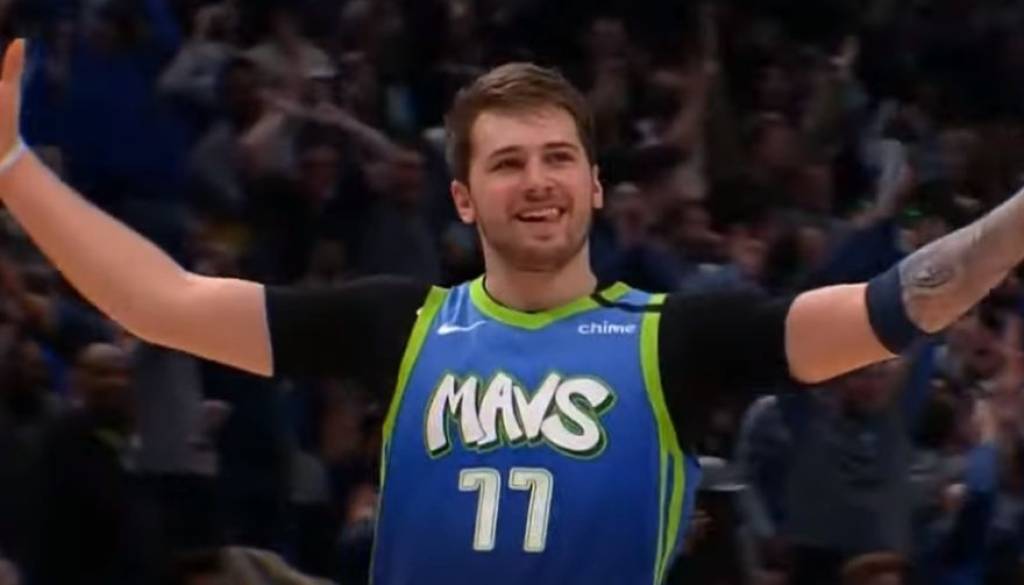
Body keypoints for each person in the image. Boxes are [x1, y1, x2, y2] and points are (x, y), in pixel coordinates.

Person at [0, 36, 1022, 583]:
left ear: (594, 185)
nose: (536, 181)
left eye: (557, 158)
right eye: (507, 162)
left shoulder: (676, 335)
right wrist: (11, 166)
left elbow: (893, 307)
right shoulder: (399, 323)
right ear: (462, 197)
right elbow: (164, 302)